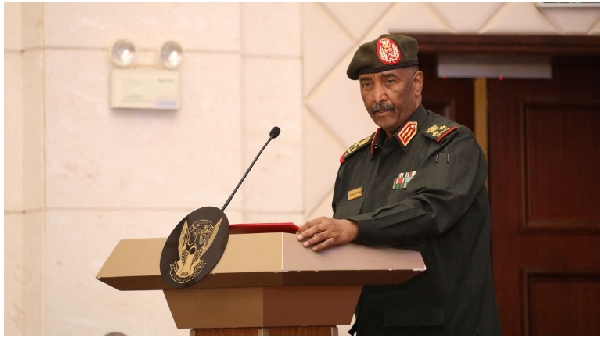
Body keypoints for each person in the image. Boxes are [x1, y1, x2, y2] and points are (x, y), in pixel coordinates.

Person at [297, 34, 502, 335]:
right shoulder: (355, 163)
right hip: (375, 326)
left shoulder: (452, 145)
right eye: (367, 84)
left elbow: (430, 211)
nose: (377, 96)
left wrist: (353, 227)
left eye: (389, 81)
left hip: (446, 326)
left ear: (416, 83)